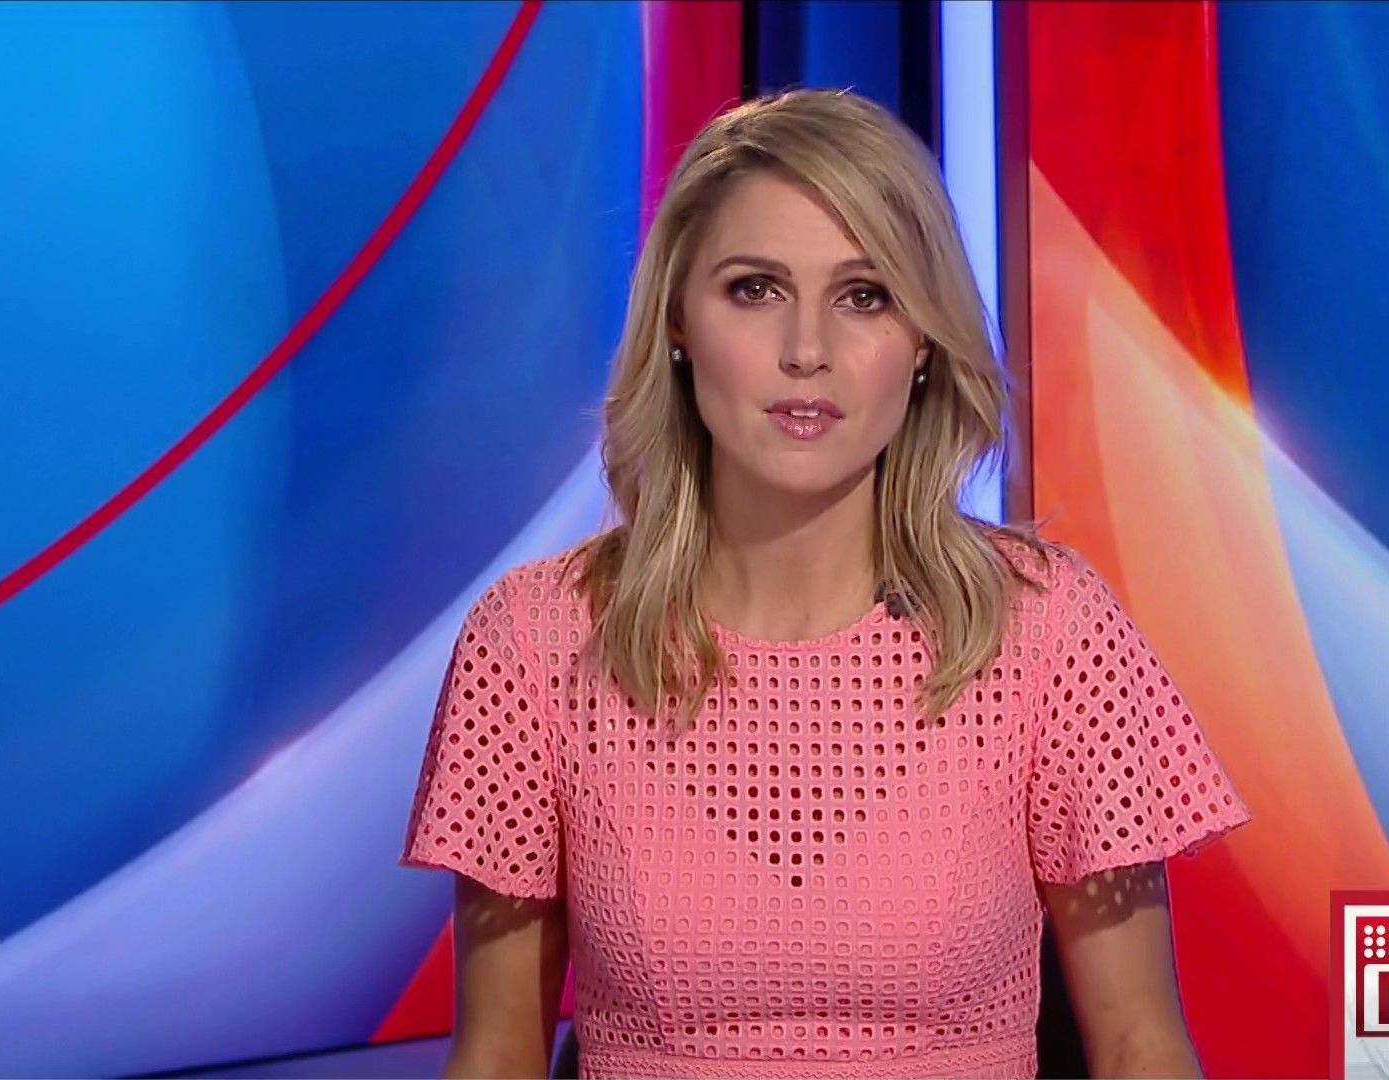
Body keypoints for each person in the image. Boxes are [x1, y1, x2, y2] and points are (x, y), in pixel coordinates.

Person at [399, 87, 1253, 1080]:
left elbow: (1143, 1047)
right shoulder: (536, 639)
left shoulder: (1050, 628)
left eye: (865, 296)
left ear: (925, 339)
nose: (807, 352)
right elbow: (497, 1054)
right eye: (755, 289)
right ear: (677, 321)